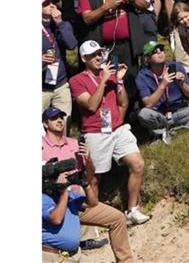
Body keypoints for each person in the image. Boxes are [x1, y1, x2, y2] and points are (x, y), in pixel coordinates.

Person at [69, 40, 150, 225]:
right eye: (93, 55)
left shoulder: (112, 76)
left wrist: (119, 81)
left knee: (137, 164)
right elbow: (90, 105)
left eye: (100, 54)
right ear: (84, 59)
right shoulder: (76, 80)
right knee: (94, 179)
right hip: (95, 132)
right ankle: (95, 218)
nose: (98, 57)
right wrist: (104, 80)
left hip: (118, 129)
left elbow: (124, 103)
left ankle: (132, 210)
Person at [42, 107, 135, 262]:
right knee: (61, 240)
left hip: (78, 200)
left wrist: (89, 160)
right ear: (45, 124)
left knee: (117, 218)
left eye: (61, 117)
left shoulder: (74, 143)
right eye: (54, 118)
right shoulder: (40, 146)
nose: (59, 121)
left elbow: (89, 177)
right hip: (54, 203)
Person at [77, 0, 149, 81]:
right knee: (108, 84)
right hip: (103, 49)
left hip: (129, 46)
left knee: (130, 84)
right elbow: (87, 18)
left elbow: (145, 5)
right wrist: (106, 7)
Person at [135, 40, 189, 143]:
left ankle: (175, 131)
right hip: (159, 115)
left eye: (161, 49)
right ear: (147, 59)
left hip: (179, 112)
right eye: (154, 51)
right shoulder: (142, 76)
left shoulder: (175, 66)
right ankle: (163, 130)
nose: (160, 52)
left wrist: (182, 84)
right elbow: (148, 104)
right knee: (143, 114)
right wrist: (163, 85)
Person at [42, 0, 78, 120]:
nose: (52, 5)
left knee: (64, 121)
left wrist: (60, 23)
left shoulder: (62, 25)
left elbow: (72, 44)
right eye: (46, 3)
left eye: (53, 2)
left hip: (60, 83)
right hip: (41, 86)